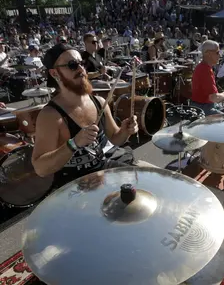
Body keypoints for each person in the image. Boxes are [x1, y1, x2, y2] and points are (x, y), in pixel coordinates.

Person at [31, 44, 152, 190]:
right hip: (73, 186)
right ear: (54, 73)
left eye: (82, 63)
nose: (81, 69)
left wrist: (126, 130)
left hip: (102, 171)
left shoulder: (99, 102)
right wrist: (74, 144)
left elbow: (115, 138)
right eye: (72, 65)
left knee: (147, 186)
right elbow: (40, 168)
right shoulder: (50, 115)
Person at [191, 40, 224, 116]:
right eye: (217, 52)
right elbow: (213, 98)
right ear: (208, 53)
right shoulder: (204, 70)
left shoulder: (204, 67)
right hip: (203, 107)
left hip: (206, 105)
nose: (219, 55)